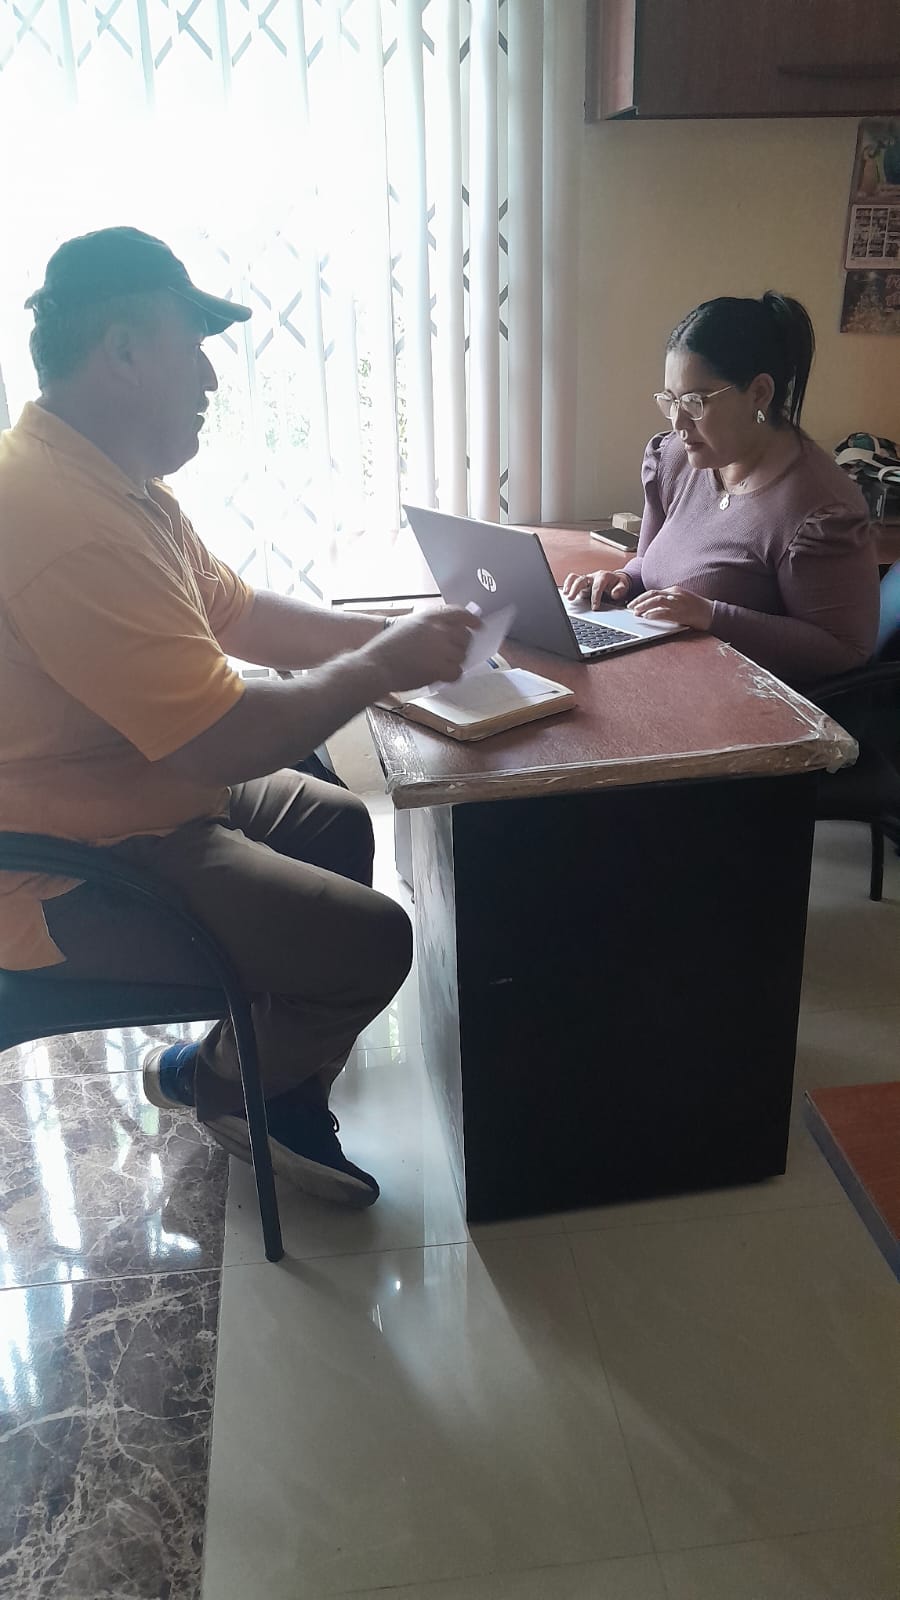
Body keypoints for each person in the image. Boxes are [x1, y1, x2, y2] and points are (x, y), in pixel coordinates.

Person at [0, 226, 478, 1207]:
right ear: (122, 350)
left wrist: (394, 639)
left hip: (135, 790)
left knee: (333, 821)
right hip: (66, 860)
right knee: (375, 941)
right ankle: (224, 1084)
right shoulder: (62, 521)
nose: (212, 378)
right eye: (195, 346)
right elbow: (221, 738)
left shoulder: (114, 486)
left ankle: (262, 1068)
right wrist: (384, 664)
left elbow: (241, 613)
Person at [563, 292, 880, 687]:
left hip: (745, 701)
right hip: (663, 675)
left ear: (759, 393)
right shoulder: (674, 459)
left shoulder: (819, 511)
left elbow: (844, 649)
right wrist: (621, 580)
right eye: (670, 400)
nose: (679, 422)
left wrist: (712, 616)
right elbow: (650, 563)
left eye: (695, 402)